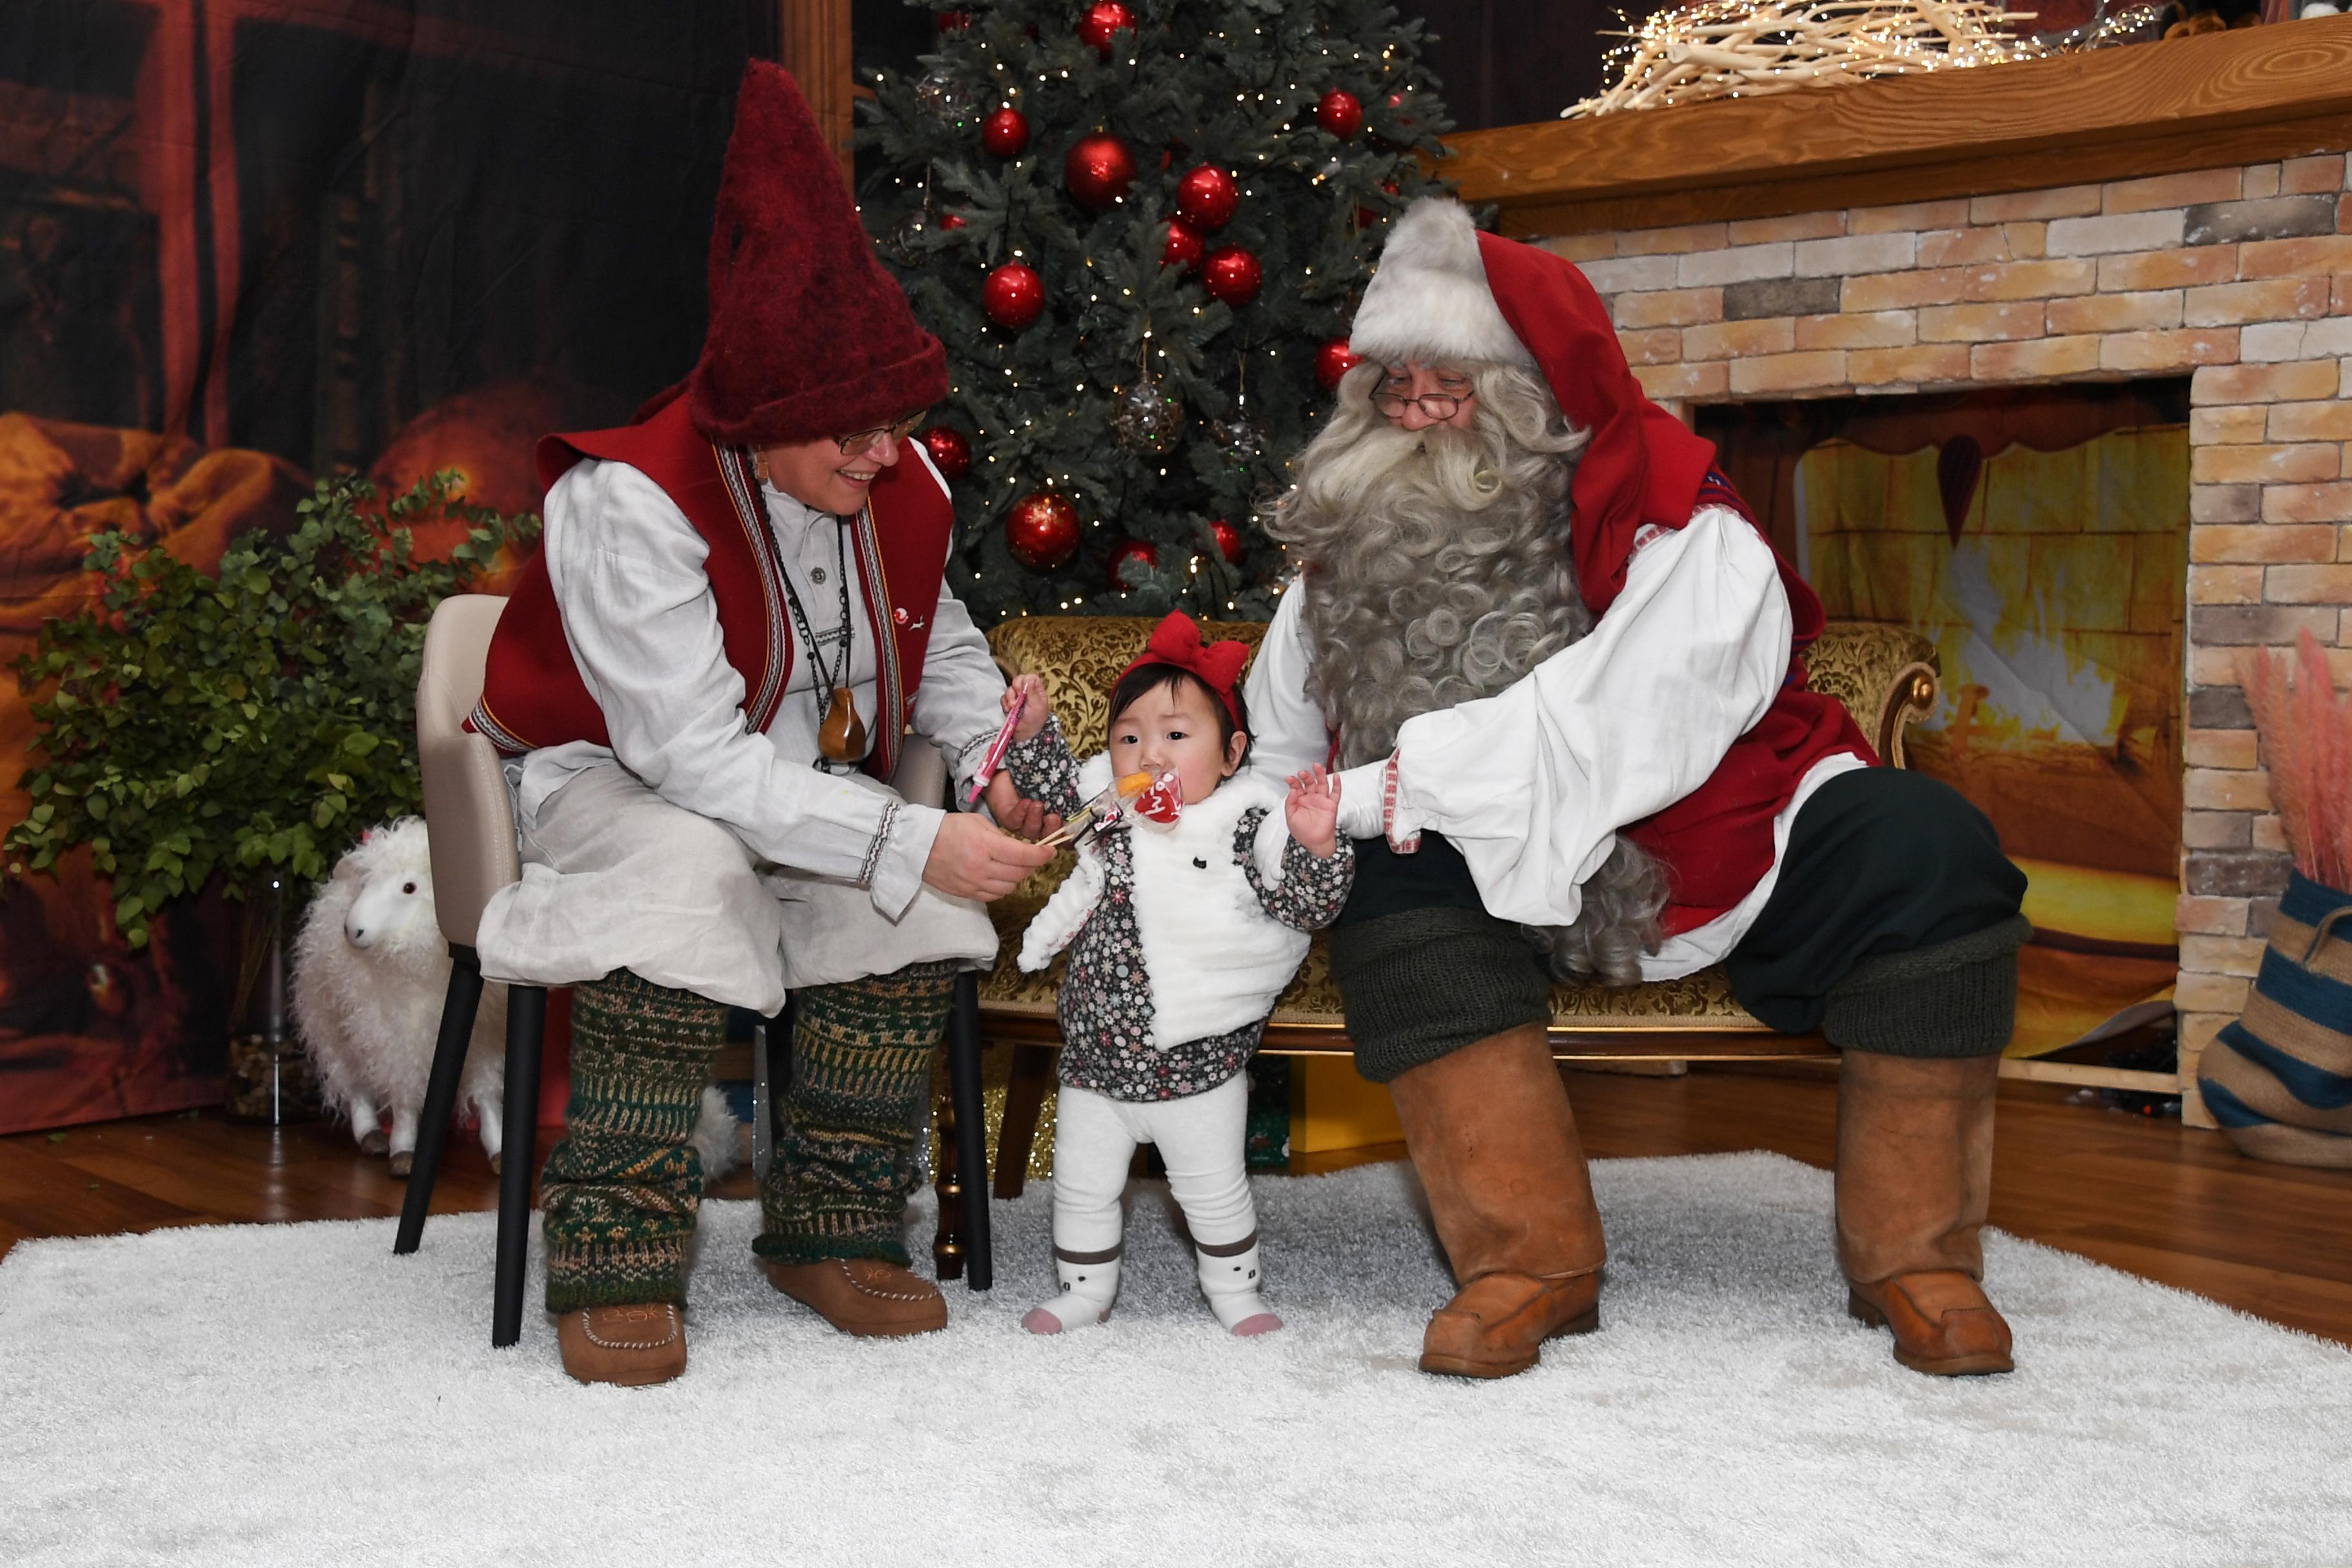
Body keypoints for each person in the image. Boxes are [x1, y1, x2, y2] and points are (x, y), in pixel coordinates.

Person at [1244, 197, 2030, 1381]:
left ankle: (1917, 1259)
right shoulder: (1337, 561)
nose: (1413, 413)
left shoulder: (1673, 515)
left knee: (1928, 845)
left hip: (1712, 839)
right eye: (1391, 388)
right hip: (1480, 878)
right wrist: (1277, 830)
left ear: (1525, 396)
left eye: (1445, 387)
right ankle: (1527, 1259)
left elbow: (1625, 723)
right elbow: (1272, 746)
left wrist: (1384, 790)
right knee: (1391, 879)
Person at [467, 63, 1055, 1387]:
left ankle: (831, 1225)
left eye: (897, 426)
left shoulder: (891, 485)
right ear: (763, 415)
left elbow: (941, 645)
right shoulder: (631, 506)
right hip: (611, 784)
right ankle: (614, 1249)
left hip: (800, 787)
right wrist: (903, 836)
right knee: (692, 864)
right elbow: (686, 759)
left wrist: (995, 758)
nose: (881, 459)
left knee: (905, 890)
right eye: (851, 435)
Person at [995, 612, 1354, 1338]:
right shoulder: (1111, 806)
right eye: (1130, 735)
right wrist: (1032, 732)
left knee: (1212, 1189)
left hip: (1199, 1056)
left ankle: (1234, 1289)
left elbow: (1302, 904)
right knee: (1083, 1186)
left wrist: (1317, 844)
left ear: (1232, 754)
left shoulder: (1245, 820)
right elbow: (1054, 791)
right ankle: (1084, 1290)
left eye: (1176, 735)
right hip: (1096, 1056)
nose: (1149, 752)